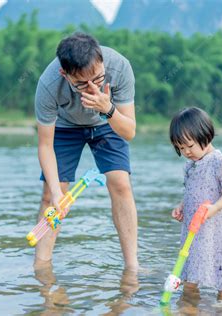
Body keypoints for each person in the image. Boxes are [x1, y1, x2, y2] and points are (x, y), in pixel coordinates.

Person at [34, 33, 138, 270]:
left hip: (108, 122)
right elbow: (44, 145)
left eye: (98, 78)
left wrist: (108, 109)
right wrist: (56, 192)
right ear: (65, 74)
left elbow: (129, 132)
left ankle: (132, 267)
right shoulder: (49, 84)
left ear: (102, 61)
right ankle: (41, 267)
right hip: (64, 126)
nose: (92, 88)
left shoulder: (120, 67)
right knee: (51, 195)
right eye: (81, 83)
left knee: (121, 183)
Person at [169, 107, 222, 300]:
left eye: (189, 146)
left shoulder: (219, 161)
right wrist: (182, 207)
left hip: (216, 228)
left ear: (206, 136)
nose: (185, 152)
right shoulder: (190, 165)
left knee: (221, 268)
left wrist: (215, 208)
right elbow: (191, 192)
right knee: (190, 267)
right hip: (193, 228)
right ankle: (189, 305)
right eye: (180, 148)